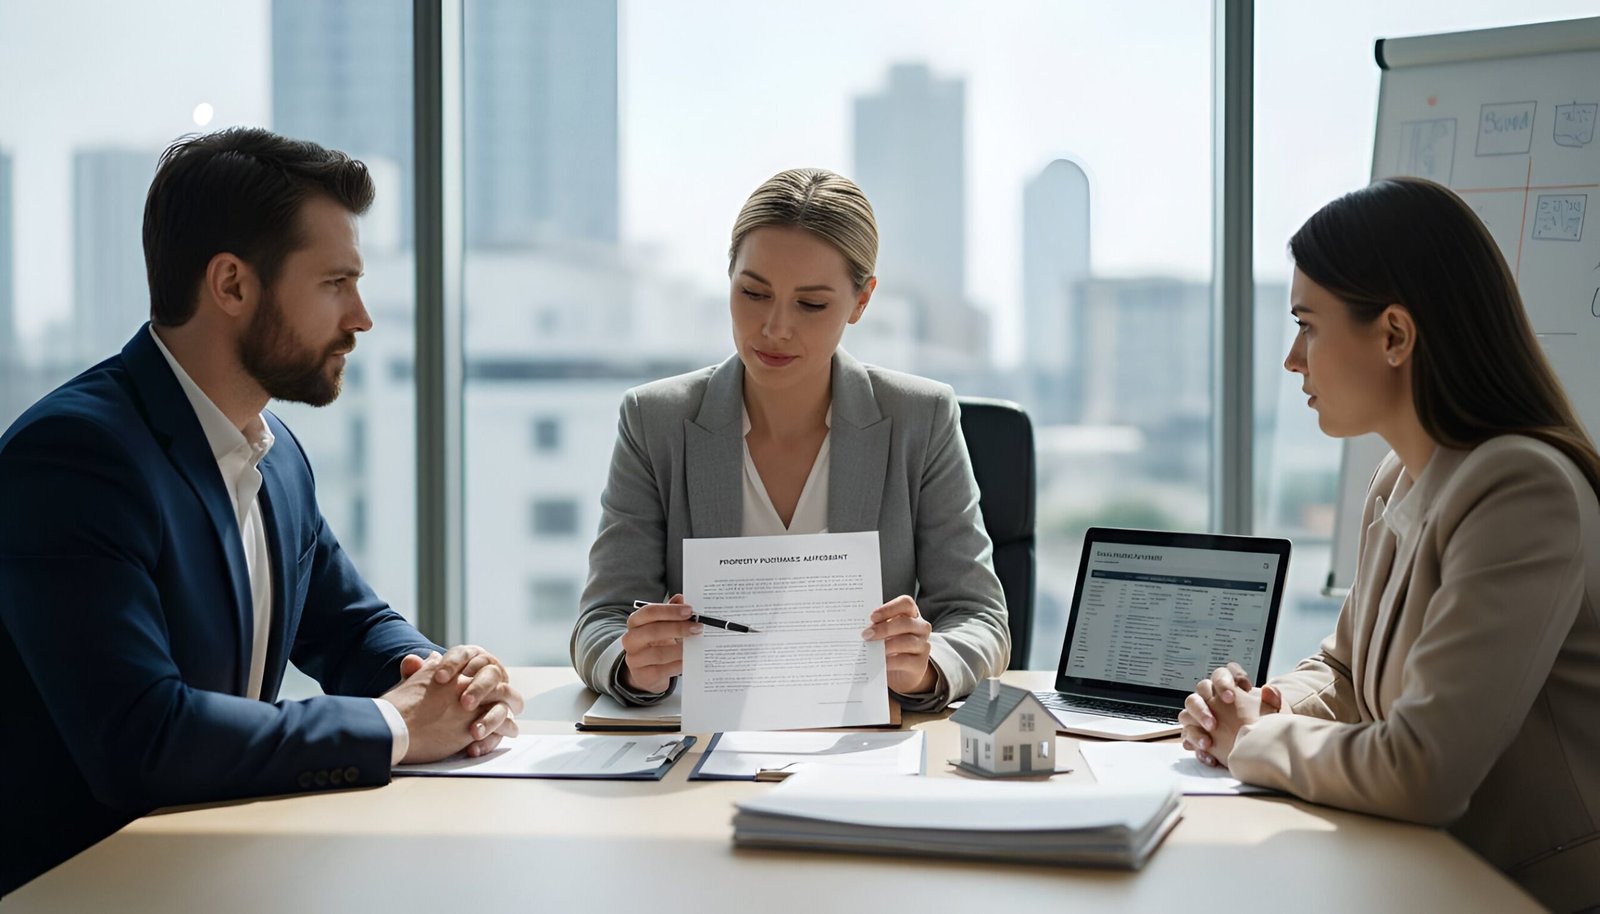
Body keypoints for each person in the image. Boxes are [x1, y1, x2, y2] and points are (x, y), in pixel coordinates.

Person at [0, 128, 524, 894]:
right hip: (85, 887)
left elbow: (350, 625)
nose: (362, 317)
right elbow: (143, 737)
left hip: (225, 866)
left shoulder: (273, 454)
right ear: (233, 285)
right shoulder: (76, 458)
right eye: (334, 283)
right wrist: (400, 724)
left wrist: (452, 683)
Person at [1178, 177, 1600, 911]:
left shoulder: (1522, 488)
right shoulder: (1398, 479)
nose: (1292, 360)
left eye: (1308, 324)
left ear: (1396, 335)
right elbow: (1344, 668)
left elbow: (1422, 768)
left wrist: (1253, 741)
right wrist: (1268, 704)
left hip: (1528, 892)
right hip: (1423, 868)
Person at [570, 167, 1009, 712]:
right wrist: (632, 664)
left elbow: (981, 617)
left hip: (860, 746)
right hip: (704, 737)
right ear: (728, 277)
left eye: (811, 304)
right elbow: (600, 620)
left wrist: (926, 668)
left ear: (861, 301)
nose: (775, 327)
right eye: (753, 293)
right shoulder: (654, 420)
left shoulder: (921, 417)